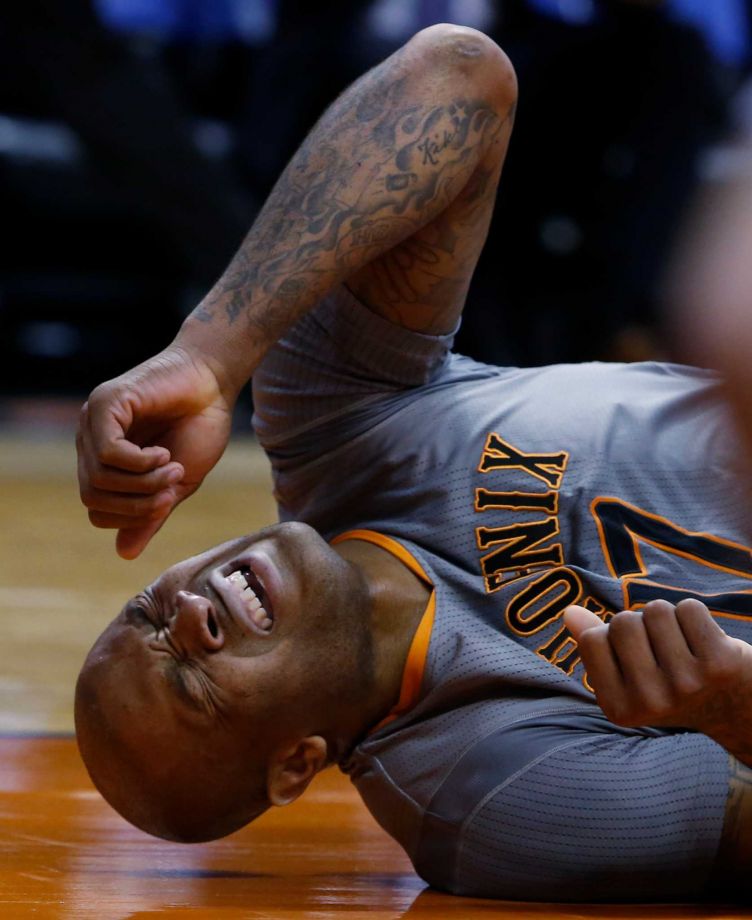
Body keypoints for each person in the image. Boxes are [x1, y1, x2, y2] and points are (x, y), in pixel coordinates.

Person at [75, 24, 752, 901]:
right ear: (296, 767)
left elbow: (461, 75)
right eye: (194, 683)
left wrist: (207, 353)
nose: (189, 619)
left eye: (146, 614)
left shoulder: (335, 425)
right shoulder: (494, 799)